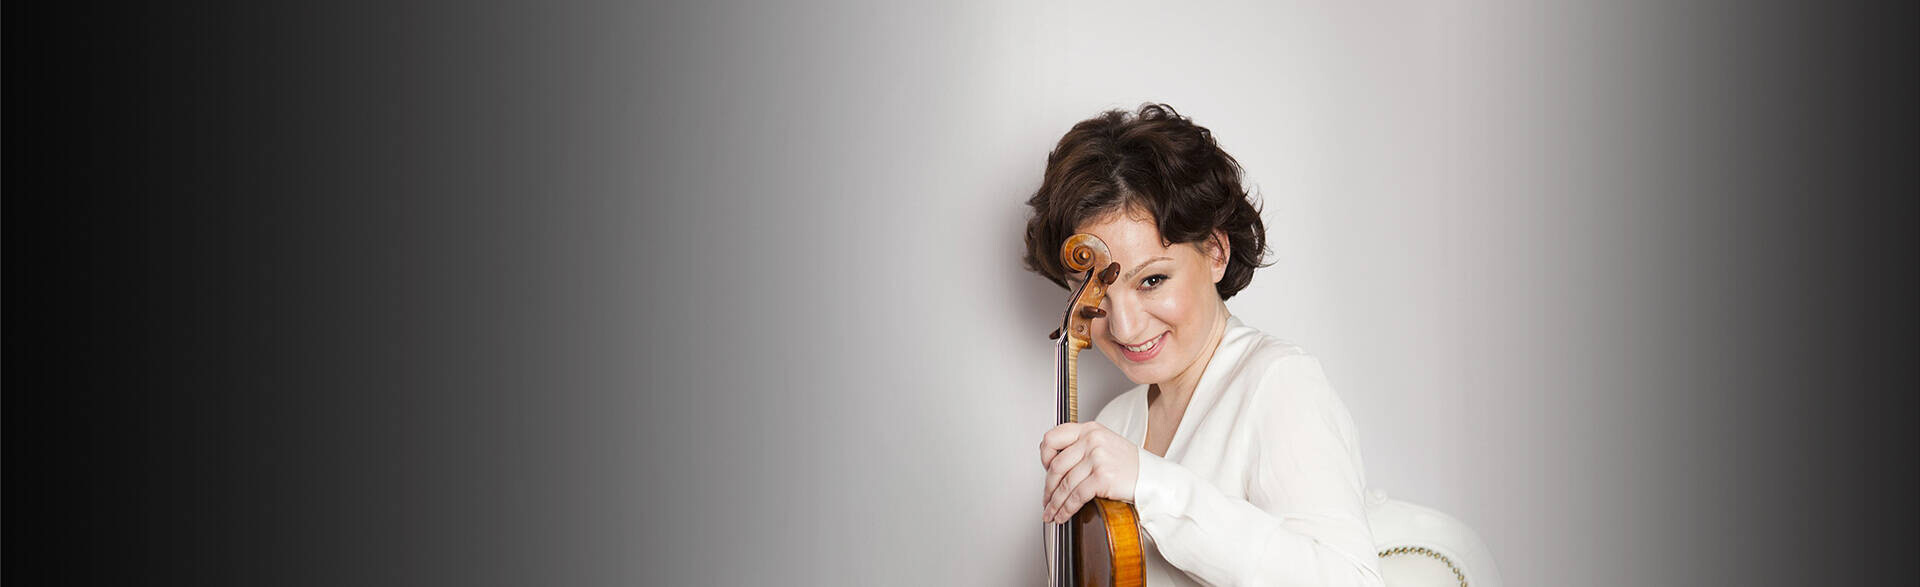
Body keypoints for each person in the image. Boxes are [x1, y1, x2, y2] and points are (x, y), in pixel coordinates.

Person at [1026, 104, 1385, 586]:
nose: (1125, 327)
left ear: (1215, 252)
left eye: (1152, 280)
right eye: (1095, 295)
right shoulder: (1114, 423)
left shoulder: (1277, 383)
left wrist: (1150, 483)